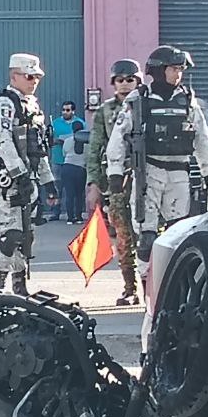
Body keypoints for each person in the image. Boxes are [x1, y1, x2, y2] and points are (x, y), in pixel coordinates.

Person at [105, 45, 208, 285]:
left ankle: (177, 285)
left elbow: (203, 139)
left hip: (180, 174)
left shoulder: (188, 100)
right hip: (149, 173)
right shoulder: (139, 100)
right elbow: (118, 136)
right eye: (174, 69)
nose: (178, 74)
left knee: (178, 235)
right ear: (159, 70)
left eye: (180, 70)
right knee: (146, 238)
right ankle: (147, 286)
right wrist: (114, 173)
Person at [0, 52, 58, 295]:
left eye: (36, 76)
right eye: (29, 76)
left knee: (26, 236)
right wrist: (19, 174)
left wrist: (48, 182)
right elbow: (3, 140)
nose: (33, 81)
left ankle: (20, 287)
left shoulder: (32, 106)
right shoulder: (4, 103)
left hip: (30, 178)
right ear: (14, 75)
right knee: (10, 236)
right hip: (8, 181)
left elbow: (39, 148)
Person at [85, 58, 142, 305]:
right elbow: (95, 147)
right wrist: (93, 183)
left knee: (150, 235)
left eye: (130, 79)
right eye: (120, 80)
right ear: (113, 83)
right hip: (116, 183)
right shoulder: (105, 111)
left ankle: (155, 286)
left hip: (146, 180)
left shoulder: (146, 105)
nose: (125, 84)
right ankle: (130, 288)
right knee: (123, 237)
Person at [52, 100, 88, 224]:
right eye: (63, 110)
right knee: (58, 188)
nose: (65, 112)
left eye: (68, 110)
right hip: (58, 160)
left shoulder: (81, 123)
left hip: (67, 162)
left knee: (70, 191)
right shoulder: (55, 123)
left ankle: (70, 216)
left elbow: (66, 150)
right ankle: (56, 212)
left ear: (73, 111)